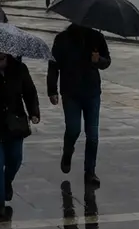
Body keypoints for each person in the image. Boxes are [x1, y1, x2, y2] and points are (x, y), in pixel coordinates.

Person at [0, 52, 41, 219]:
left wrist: (34, 112)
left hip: (14, 124)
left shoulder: (19, 68)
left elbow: (29, 91)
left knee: (15, 159)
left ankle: (6, 182)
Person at [47, 24, 111, 186]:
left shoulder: (97, 37)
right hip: (70, 93)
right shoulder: (62, 39)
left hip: (92, 92)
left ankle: (90, 172)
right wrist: (52, 90)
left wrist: (99, 60)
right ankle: (68, 152)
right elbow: (53, 65)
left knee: (93, 136)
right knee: (73, 128)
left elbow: (107, 61)